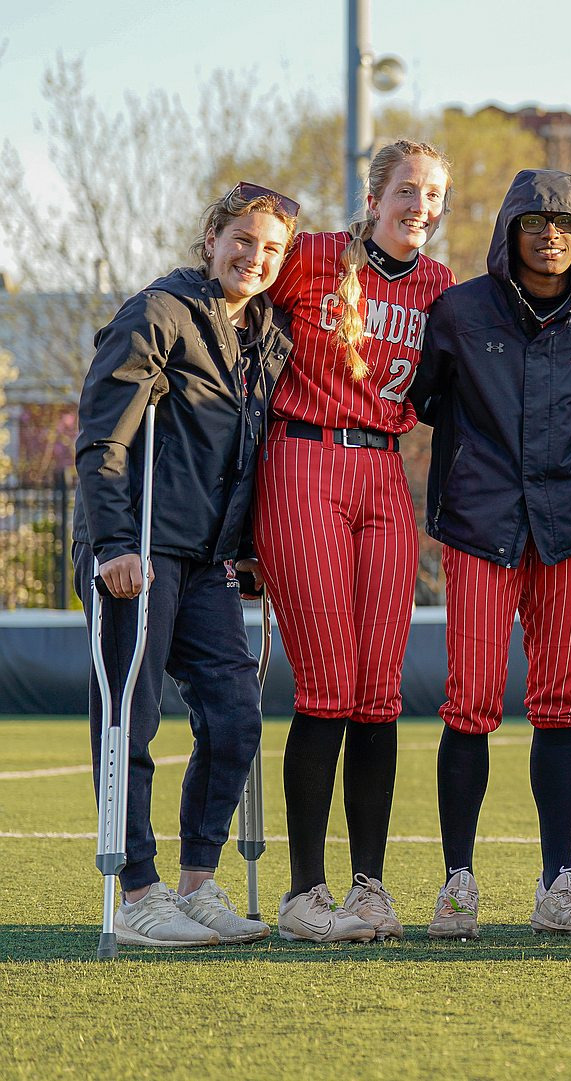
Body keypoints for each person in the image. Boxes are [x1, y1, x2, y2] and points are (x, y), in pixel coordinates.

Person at [411, 169, 571, 940]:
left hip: (569, 531)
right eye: (535, 223)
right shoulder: (459, 310)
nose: (551, 236)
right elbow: (429, 401)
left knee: (560, 704)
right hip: (482, 527)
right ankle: (457, 887)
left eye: (566, 225)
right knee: (470, 699)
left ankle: (558, 886)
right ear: (508, 231)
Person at [75, 182, 297, 947]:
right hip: (138, 547)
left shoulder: (265, 332)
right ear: (212, 239)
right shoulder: (159, 312)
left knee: (236, 717)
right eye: (244, 239)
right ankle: (139, 891)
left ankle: (197, 882)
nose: (255, 257)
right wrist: (112, 545)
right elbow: (103, 437)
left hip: (208, 560)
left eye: (272, 248)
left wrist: (252, 545)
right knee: (129, 718)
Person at [256, 139, 455, 942]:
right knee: (329, 685)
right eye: (408, 191)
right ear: (374, 197)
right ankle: (307, 893)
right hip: (304, 458)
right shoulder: (311, 259)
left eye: (434, 196)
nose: (421, 208)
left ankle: (369, 887)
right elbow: (230, 320)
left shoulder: (441, 286)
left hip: (384, 476)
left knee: (380, 693)